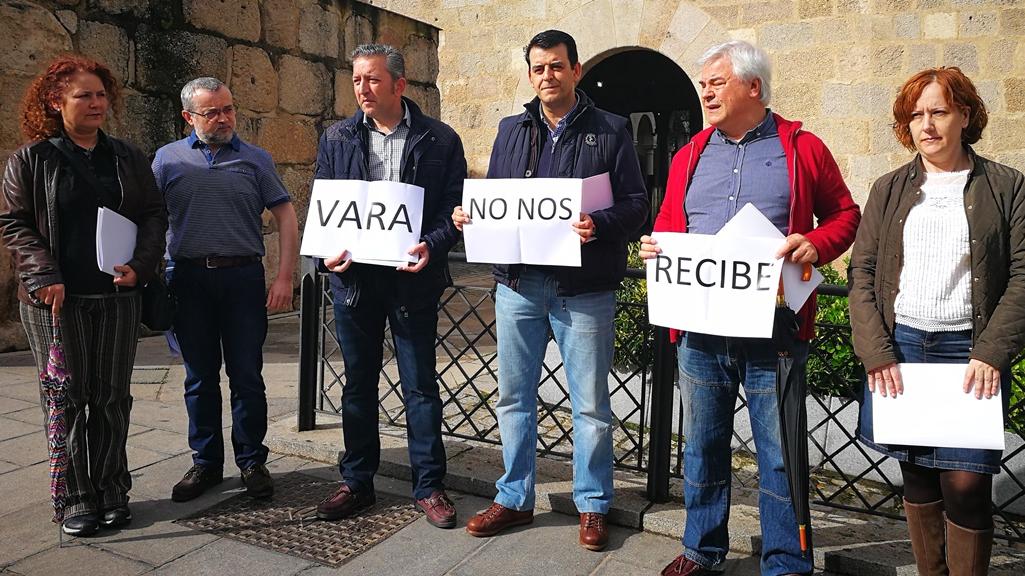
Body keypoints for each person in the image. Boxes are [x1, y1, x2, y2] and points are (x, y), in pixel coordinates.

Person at [639, 41, 860, 576]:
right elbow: (670, 223)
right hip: (699, 330)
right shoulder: (689, 153)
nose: (705, 90)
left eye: (716, 81)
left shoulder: (802, 148)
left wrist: (816, 244)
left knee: (779, 454)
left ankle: (785, 562)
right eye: (703, 82)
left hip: (775, 328)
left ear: (752, 87)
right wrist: (656, 245)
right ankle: (701, 549)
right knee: (702, 448)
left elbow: (846, 215)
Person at [456, 30, 649, 551]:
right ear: (530, 75)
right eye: (539, 68)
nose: (548, 76)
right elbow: (496, 198)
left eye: (557, 66)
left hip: (582, 287)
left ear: (576, 70)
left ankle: (592, 505)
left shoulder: (609, 129)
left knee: (589, 405)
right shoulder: (510, 128)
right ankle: (513, 498)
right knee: (514, 398)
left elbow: (636, 204)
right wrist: (470, 217)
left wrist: (599, 224)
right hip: (518, 285)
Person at [848, 67, 1025, 576]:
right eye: (915, 115)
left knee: (966, 484)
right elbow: (863, 272)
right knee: (916, 474)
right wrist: (876, 351)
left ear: (964, 115)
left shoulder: (1004, 185)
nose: (926, 125)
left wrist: (991, 351)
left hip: (968, 353)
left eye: (938, 111)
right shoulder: (890, 188)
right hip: (904, 348)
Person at [0, 55, 168, 536]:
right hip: (55, 302)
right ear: (56, 102)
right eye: (83, 95)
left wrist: (140, 266)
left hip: (116, 297)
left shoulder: (128, 156)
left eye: (100, 94)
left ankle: (113, 489)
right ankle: (77, 494)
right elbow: (15, 224)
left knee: (111, 397)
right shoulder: (31, 159)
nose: (96, 103)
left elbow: (154, 214)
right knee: (68, 398)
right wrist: (42, 273)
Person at [312, 45, 466, 529]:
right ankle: (357, 482)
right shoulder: (336, 137)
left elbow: (453, 208)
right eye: (357, 80)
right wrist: (325, 254)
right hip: (354, 282)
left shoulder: (439, 139)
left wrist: (433, 245)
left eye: (373, 80)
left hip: (411, 281)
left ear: (399, 85)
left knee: (420, 386)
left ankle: (429, 486)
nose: (362, 89)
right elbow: (325, 200)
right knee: (357, 386)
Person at [152, 77, 298, 503]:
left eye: (228, 109)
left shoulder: (255, 159)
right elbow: (148, 218)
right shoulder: (167, 160)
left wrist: (284, 276)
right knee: (198, 378)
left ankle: (252, 460)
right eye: (211, 111)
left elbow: (285, 217)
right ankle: (206, 464)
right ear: (188, 117)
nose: (223, 118)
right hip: (188, 279)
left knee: (248, 376)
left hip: (242, 279)